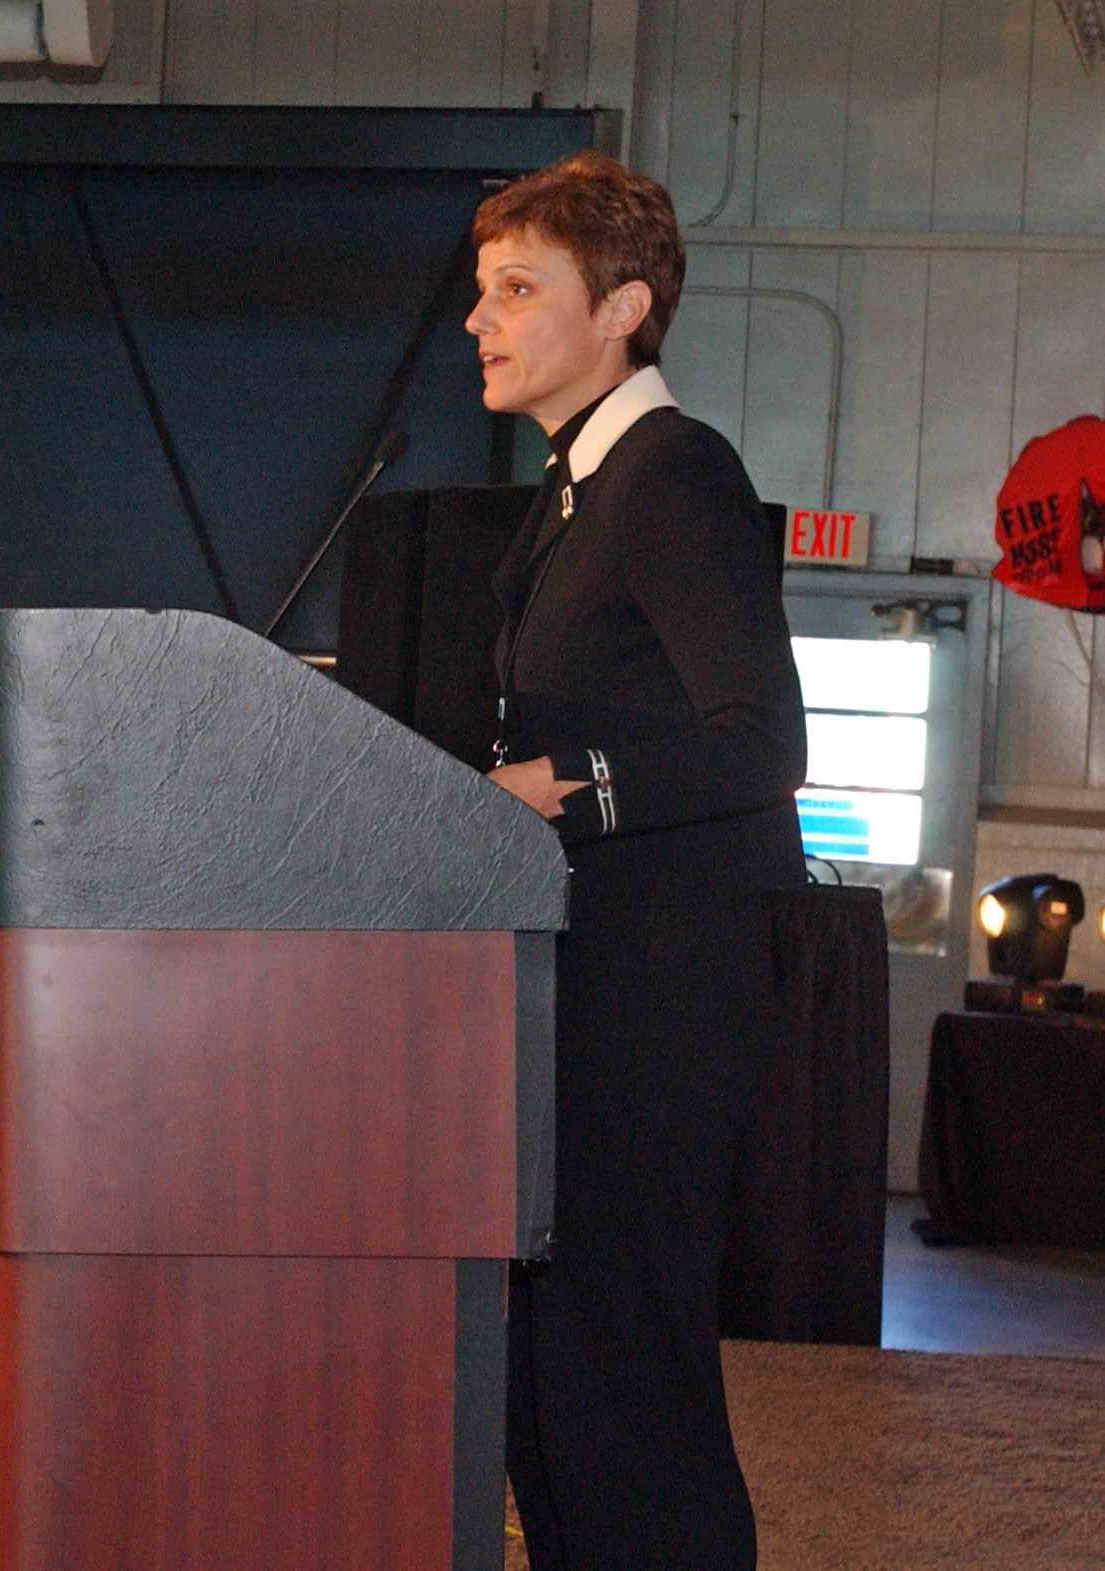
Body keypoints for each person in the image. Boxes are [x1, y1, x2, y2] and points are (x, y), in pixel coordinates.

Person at [466, 149, 808, 1571]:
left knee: (627, 1390)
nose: (478, 321)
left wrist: (561, 787)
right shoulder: (572, 493)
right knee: (551, 1396)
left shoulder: (673, 475)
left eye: (517, 288)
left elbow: (760, 741)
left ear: (624, 307)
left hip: (655, 1016)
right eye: (477, 292)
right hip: (583, 1003)